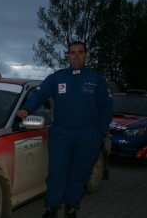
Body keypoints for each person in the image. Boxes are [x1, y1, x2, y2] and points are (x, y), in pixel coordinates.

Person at [17, 41, 113, 218]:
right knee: (56, 172)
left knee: (80, 173)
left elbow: (107, 108)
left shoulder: (97, 79)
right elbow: (40, 93)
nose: (76, 56)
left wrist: (99, 132)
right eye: (72, 52)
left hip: (88, 134)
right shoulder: (57, 78)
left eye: (80, 52)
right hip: (61, 133)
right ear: (67, 56)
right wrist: (27, 109)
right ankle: (52, 208)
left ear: (86, 55)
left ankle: (71, 207)